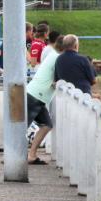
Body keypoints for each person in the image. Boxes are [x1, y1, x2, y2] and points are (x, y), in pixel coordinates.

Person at [27, 35, 64, 164]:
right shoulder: (58, 58)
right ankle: (13, 156)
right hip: (36, 95)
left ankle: (31, 155)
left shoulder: (53, 55)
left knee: (47, 125)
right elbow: (59, 80)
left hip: (36, 94)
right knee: (22, 127)